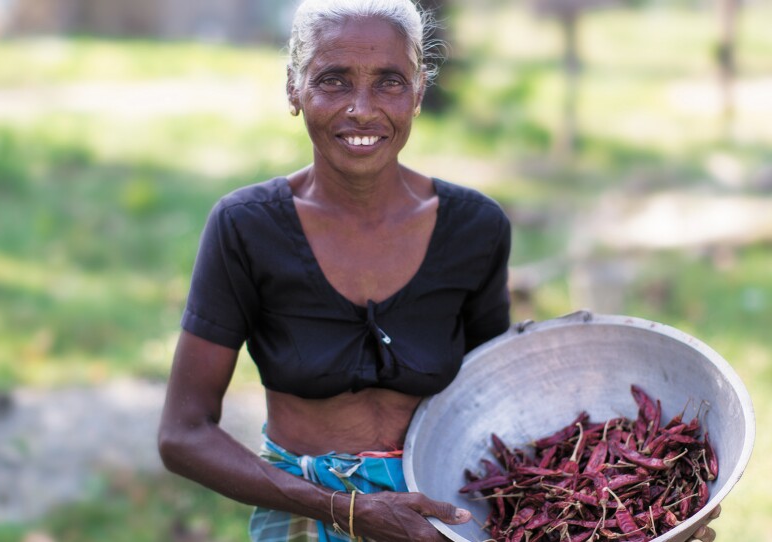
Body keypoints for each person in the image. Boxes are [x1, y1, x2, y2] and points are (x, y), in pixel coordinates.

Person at [158, 1, 720, 541]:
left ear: (419, 91)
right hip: (303, 508)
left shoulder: (473, 228)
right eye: (333, 79)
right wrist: (348, 510)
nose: (361, 108)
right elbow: (182, 435)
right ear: (293, 87)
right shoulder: (247, 227)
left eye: (389, 81)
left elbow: (498, 408)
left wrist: (651, 512)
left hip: (451, 513)